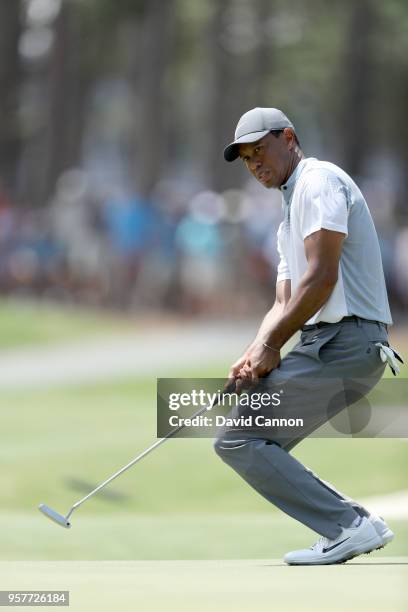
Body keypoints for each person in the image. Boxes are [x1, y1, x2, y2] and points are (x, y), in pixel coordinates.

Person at [215, 107, 400, 565]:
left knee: (239, 438)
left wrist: (272, 345)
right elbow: (283, 301)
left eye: (261, 150)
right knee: (246, 438)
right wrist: (253, 351)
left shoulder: (318, 182)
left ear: (289, 137)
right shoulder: (287, 214)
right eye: (246, 158)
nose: (256, 163)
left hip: (348, 343)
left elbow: (321, 280)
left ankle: (349, 525)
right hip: (329, 345)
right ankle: (353, 522)